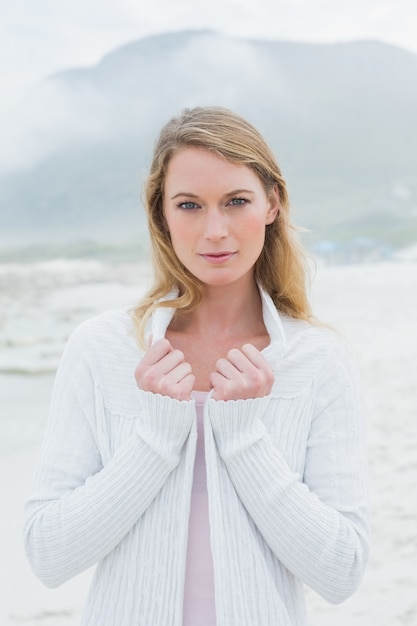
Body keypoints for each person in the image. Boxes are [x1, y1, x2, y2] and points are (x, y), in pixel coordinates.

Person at [23, 106, 371, 626]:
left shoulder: (319, 360)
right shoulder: (100, 348)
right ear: (161, 213)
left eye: (236, 201)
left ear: (272, 203)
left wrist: (245, 440)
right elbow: (47, 556)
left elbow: (342, 572)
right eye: (189, 204)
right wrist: (156, 439)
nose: (215, 230)